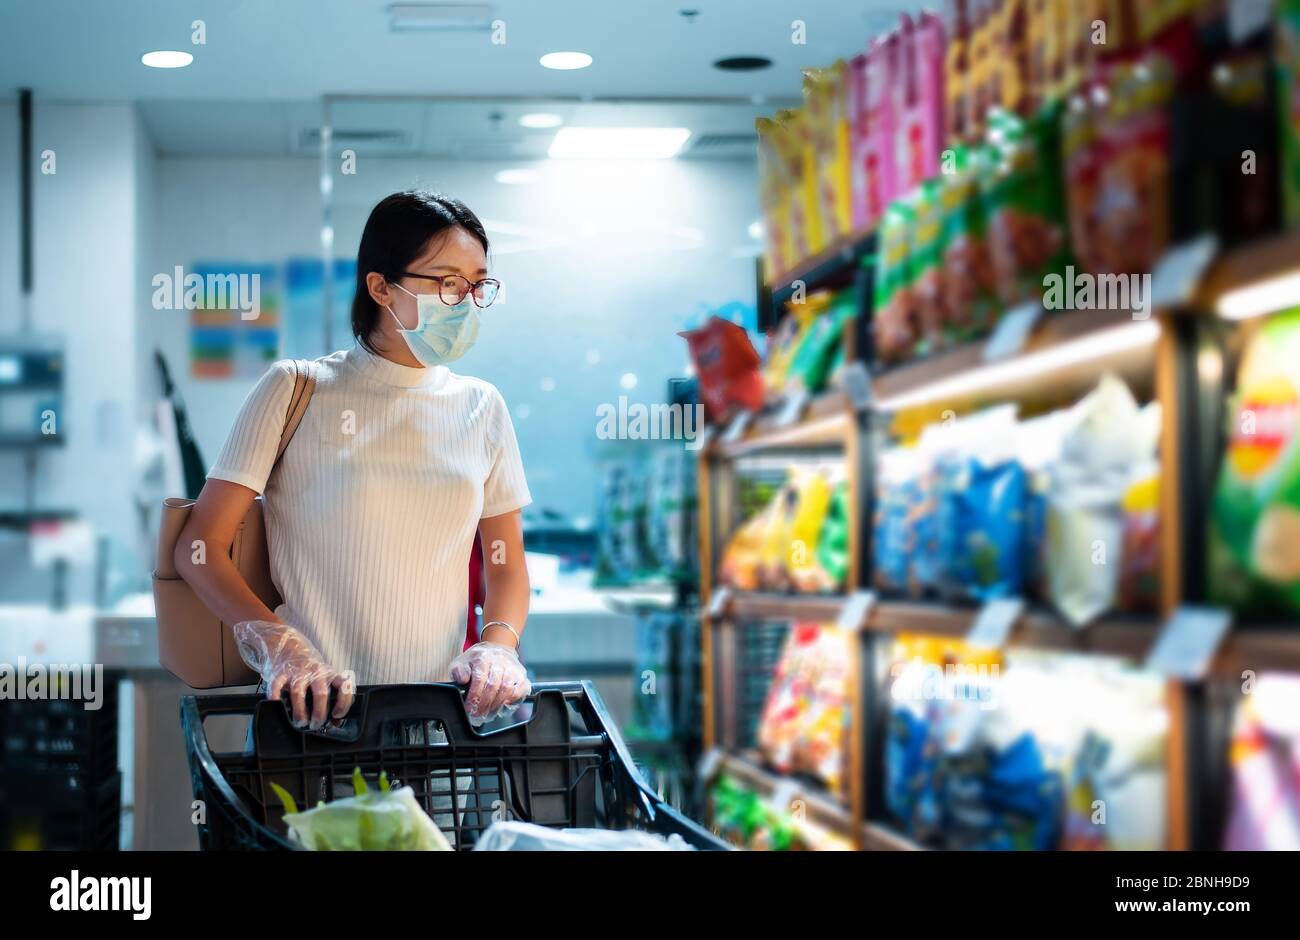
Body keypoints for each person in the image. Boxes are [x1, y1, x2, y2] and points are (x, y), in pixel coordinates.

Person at [174, 191, 532, 731]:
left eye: (478, 284)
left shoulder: (482, 407)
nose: (464, 300)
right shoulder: (296, 388)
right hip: (311, 719)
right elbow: (198, 549)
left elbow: (505, 564)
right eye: (446, 281)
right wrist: (280, 646)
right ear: (380, 286)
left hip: (437, 723)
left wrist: (499, 647)